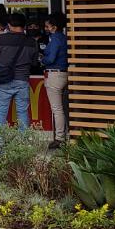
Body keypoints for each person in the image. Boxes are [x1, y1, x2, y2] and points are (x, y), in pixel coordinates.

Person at [0, 13, 39, 144]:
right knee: (22, 112)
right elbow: (34, 63)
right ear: (24, 25)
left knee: (1, 112)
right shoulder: (32, 42)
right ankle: (23, 144)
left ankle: (0, 143)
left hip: (4, 81)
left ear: (9, 25)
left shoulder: (1, 39)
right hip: (22, 80)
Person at [42, 12, 69, 149]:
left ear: (54, 27)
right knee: (63, 108)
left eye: (47, 26)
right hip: (64, 74)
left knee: (57, 109)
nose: (45, 28)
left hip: (54, 75)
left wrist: (42, 59)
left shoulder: (55, 39)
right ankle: (65, 135)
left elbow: (51, 58)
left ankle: (59, 138)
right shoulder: (64, 38)